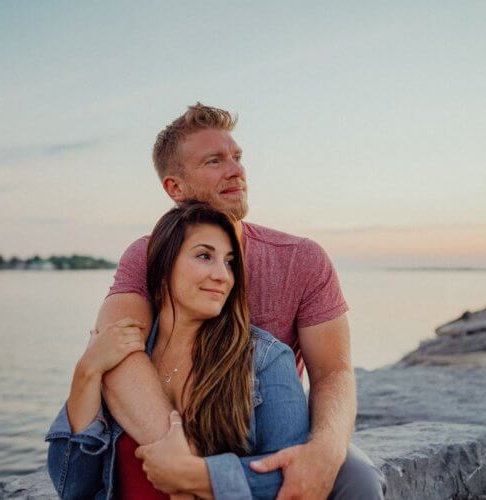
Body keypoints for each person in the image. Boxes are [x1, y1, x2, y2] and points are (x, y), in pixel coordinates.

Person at [94, 104, 386, 499]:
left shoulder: (301, 258)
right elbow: (118, 353)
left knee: (358, 479)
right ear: (175, 187)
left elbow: (333, 371)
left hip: (267, 431)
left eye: (237, 157)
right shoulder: (146, 257)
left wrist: (324, 452)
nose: (236, 170)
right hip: (173, 426)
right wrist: (180, 454)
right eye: (215, 160)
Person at [46, 201, 310, 499]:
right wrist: (87, 371)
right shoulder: (123, 358)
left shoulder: (265, 359)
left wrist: (195, 477)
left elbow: (291, 477)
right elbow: (72, 487)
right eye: (204, 256)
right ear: (163, 269)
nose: (222, 275)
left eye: (229, 262)